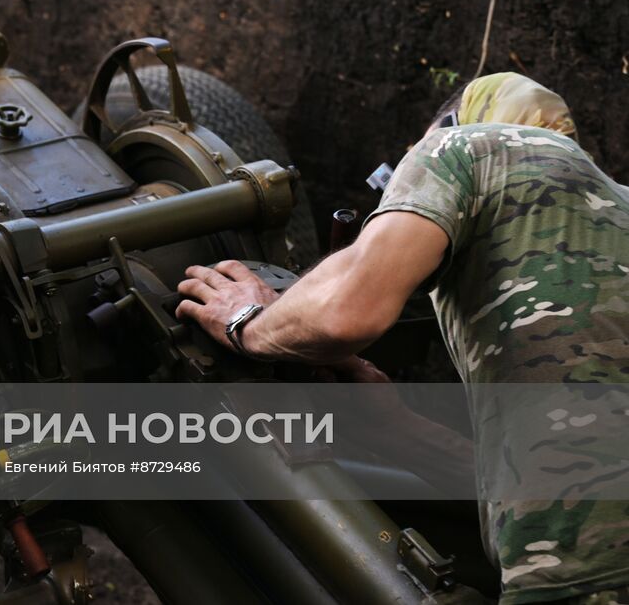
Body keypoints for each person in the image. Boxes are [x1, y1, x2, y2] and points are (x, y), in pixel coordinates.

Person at [175, 72, 629, 604]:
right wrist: (394, 430)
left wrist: (248, 322)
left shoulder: (459, 147)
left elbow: (348, 314)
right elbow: (559, 475)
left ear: (448, 124)